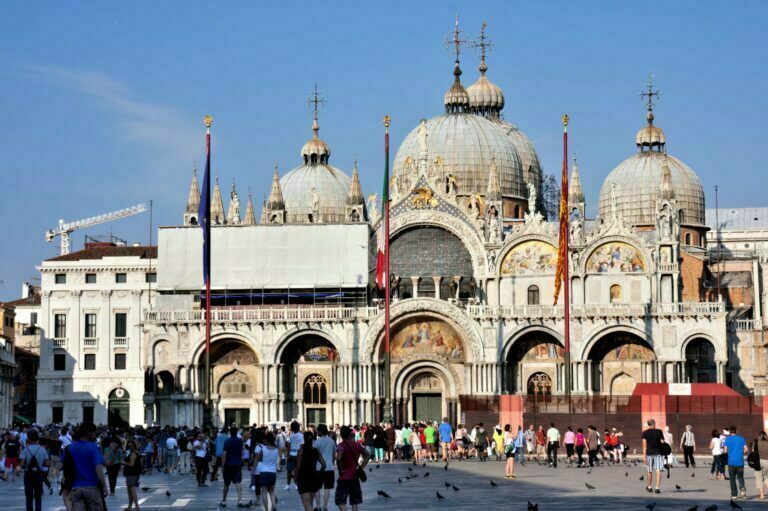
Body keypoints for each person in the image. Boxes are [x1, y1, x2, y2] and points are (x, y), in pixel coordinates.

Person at [62, 423, 108, 511]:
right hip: (92, 488)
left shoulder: (70, 447)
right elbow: (98, 467)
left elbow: (61, 465)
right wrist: (104, 485)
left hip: (76, 488)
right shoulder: (93, 447)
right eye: (94, 432)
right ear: (88, 433)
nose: (95, 434)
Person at [335, 425, 370, 511]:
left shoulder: (341, 446)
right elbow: (368, 455)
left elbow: (339, 458)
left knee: (340, 501)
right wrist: (361, 467)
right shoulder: (357, 445)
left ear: (342, 435)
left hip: (344, 478)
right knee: (354, 502)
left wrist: (338, 458)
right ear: (350, 435)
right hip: (355, 476)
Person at [295, 431, 327, 511]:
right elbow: (324, 464)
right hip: (313, 477)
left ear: (304, 439)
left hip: (303, 478)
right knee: (310, 503)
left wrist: (295, 478)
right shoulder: (316, 451)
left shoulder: (301, 451)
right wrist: (319, 473)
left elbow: (298, 466)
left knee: (307, 505)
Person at [20, 429, 49, 511]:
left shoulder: (26, 450)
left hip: (28, 475)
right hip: (39, 475)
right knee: (38, 496)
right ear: (38, 438)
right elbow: (47, 463)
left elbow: (21, 463)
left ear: (28, 439)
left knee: (28, 496)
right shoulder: (42, 450)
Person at [220, 427, 245, 508]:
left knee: (226, 483)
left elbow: (224, 454)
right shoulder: (240, 441)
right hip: (237, 464)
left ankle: (224, 501)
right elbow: (241, 452)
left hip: (228, 465)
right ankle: (240, 500)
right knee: (238, 482)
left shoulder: (227, 441)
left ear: (230, 432)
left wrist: (222, 466)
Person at [254, 432, 279, 511]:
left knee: (264, 492)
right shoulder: (276, 449)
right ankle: (274, 506)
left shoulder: (263, 449)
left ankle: (266, 509)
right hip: (273, 472)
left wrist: (253, 469)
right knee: (271, 491)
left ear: (267, 440)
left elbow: (257, 459)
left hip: (264, 472)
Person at [313, 424, 336, 511]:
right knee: (327, 488)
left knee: (317, 487)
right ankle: (325, 506)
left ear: (320, 431)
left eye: (318, 430)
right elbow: (334, 455)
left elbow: (314, 455)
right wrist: (332, 463)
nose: (317, 432)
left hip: (319, 468)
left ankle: (318, 505)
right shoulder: (332, 441)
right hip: (329, 468)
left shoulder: (317, 442)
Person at [723, 424, 748, 500]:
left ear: (730, 432)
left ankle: (734, 494)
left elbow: (725, 450)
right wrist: (741, 452)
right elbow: (746, 449)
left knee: (732, 478)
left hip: (731, 462)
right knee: (740, 477)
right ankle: (743, 492)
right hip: (740, 461)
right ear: (736, 431)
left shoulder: (727, 439)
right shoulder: (741, 439)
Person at [641, 419, 665, 494]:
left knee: (649, 470)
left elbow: (644, 445)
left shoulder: (644, 433)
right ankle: (657, 487)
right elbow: (662, 442)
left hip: (649, 454)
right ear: (654, 424)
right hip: (658, 453)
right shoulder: (659, 431)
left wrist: (644, 457)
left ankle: (649, 487)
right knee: (658, 470)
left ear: (648, 425)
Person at [123, 440, 142, 511]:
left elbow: (131, 464)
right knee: (129, 490)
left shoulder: (133, 453)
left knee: (132, 490)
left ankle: (137, 506)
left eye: (131, 446)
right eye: (128, 446)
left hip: (132, 473)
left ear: (134, 445)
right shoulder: (135, 452)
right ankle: (130, 506)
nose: (130, 447)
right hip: (132, 473)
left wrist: (124, 462)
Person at [285, 421, 303, 490]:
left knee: (296, 470)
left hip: (296, 454)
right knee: (290, 470)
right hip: (292, 454)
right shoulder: (291, 435)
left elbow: (302, 445)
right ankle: (289, 484)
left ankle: (295, 483)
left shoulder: (300, 435)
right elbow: (289, 444)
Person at [752, 431, 768, 499]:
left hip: (758, 462)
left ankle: (762, 495)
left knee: (759, 478)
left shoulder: (756, 443)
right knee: (767, 477)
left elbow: (753, 452)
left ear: (759, 436)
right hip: (767, 461)